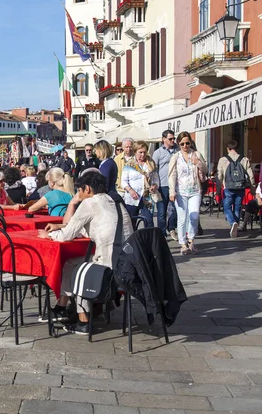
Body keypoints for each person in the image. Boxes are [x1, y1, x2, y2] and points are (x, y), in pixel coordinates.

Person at [38, 172, 133, 335]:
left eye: (79, 190)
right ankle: (62, 307)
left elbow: (66, 236)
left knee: (80, 269)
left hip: (108, 263)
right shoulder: (114, 201)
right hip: (127, 262)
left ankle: (83, 322)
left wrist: (48, 235)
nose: (78, 194)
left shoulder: (89, 203)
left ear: (87, 189)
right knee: (70, 263)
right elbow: (95, 228)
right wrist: (60, 227)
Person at [168, 132, 208, 254]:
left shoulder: (196, 154)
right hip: (180, 191)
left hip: (195, 190)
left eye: (187, 143)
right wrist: (172, 191)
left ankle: (191, 239)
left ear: (191, 142)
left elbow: (205, 170)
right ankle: (183, 243)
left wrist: (198, 163)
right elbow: (172, 175)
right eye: (182, 144)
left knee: (194, 216)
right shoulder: (176, 157)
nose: (185, 146)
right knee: (182, 217)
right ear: (179, 144)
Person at [217, 140, 255, 237]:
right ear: (237, 148)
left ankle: (232, 222)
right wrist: (252, 187)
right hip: (240, 187)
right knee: (237, 207)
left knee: (227, 207)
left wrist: (219, 187)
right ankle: (236, 226)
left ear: (228, 148)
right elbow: (251, 175)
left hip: (228, 187)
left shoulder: (223, 160)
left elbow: (219, 176)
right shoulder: (244, 159)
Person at [121, 141, 159, 228]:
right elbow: (123, 181)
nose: (142, 154)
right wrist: (130, 191)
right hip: (132, 197)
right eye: (140, 152)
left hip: (147, 197)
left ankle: (148, 240)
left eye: (144, 152)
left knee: (148, 221)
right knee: (131, 222)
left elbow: (156, 180)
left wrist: (154, 186)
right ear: (135, 152)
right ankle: (133, 240)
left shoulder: (151, 163)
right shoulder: (129, 164)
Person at [152, 130, 179, 240]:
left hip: (176, 185)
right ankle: (162, 233)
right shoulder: (158, 153)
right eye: (170, 139)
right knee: (162, 212)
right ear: (164, 139)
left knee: (175, 210)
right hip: (162, 185)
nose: (173, 140)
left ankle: (171, 228)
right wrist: (154, 184)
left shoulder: (178, 150)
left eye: (174, 138)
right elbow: (153, 170)